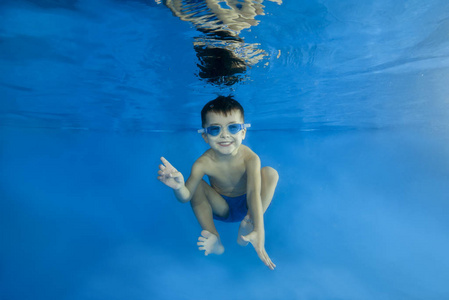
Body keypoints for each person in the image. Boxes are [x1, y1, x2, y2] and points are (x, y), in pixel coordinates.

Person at [157, 96, 278, 270]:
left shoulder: (251, 158)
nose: (225, 135)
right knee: (197, 185)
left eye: (233, 127)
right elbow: (186, 197)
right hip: (221, 208)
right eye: (215, 129)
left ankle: (250, 225)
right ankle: (215, 240)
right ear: (205, 136)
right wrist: (178, 187)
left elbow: (253, 194)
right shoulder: (203, 163)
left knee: (270, 173)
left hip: (248, 206)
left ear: (243, 132)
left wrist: (260, 229)